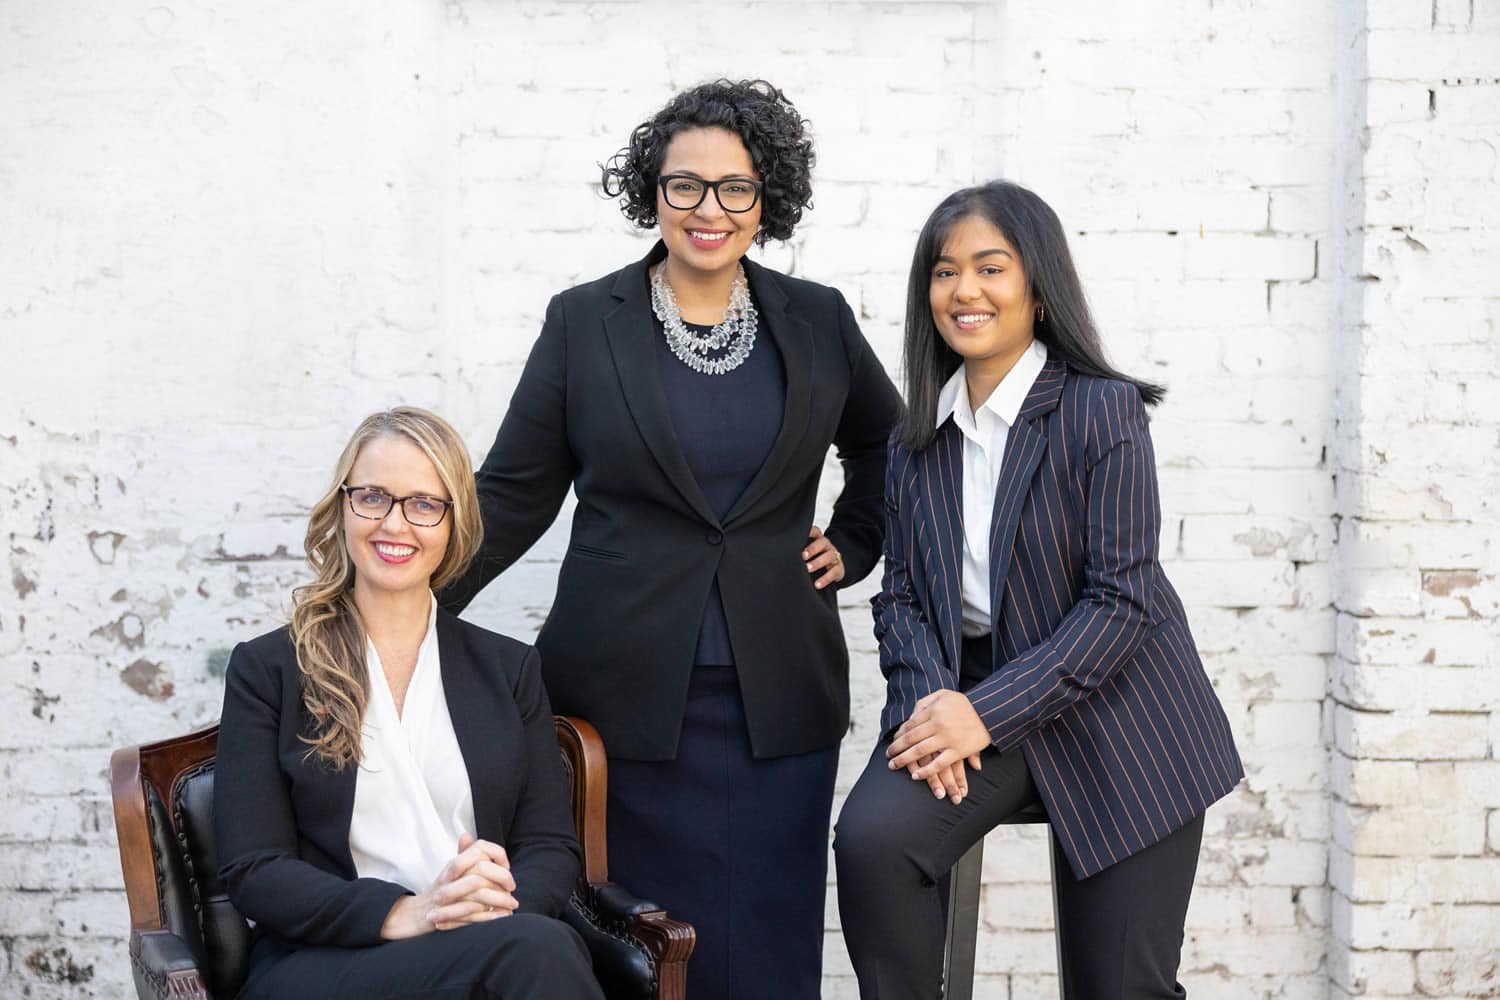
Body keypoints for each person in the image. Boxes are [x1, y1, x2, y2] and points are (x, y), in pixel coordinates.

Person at [438, 79, 902, 998]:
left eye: (736, 188)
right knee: (631, 945)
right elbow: (514, 493)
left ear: (767, 200)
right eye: (683, 185)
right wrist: (403, 610)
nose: (709, 209)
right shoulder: (584, 322)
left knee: (767, 947)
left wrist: (855, 540)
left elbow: (893, 448)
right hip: (622, 706)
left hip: (781, 704)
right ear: (651, 192)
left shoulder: (818, 320)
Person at [833, 181, 1244, 999]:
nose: (966, 291)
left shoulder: (1101, 412)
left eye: (992, 267)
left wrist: (979, 714)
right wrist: (932, 715)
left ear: (1038, 288)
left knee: (1118, 986)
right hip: (979, 701)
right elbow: (904, 596)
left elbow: (1121, 602)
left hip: (1125, 714)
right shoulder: (917, 438)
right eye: (945, 272)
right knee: (875, 840)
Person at [215, 407, 604, 1000]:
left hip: (484, 943)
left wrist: (490, 902)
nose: (395, 524)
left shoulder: (508, 669)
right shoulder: (269, 668)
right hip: (325, 964)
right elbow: (254, 867)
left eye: (424, 504)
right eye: (373, 496)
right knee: (539, 954)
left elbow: (548, 846)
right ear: (343, 506)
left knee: (532, 949)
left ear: (454, 525)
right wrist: (402, 913)